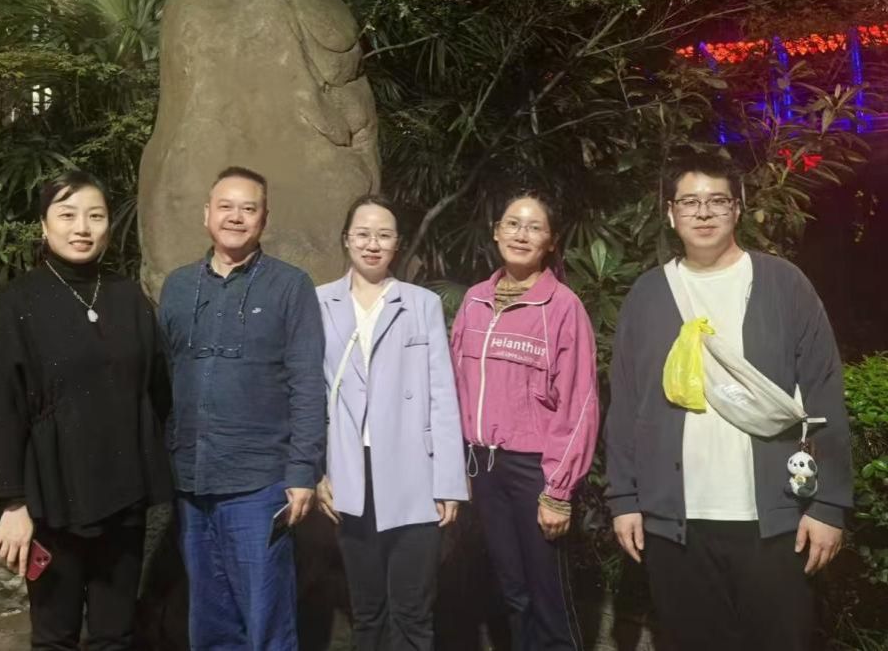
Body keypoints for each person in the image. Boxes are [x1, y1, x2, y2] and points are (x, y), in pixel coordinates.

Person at [604, 152, 853, 651]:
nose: (703, 212)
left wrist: (828, 505)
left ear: (737, 208)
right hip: (675, 521)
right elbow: (626, 403)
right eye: (689, 201)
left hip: (775, 518)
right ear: (670, 212)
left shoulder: (783, 284)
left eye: (717, 200)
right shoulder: (648, 294)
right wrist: (624, 500)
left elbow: (824, 388)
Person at [0, 171, 173, 651]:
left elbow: (157, 391)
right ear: (44, 226)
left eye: (95, 216)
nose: (82, 227)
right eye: (67, 215)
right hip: (51, 497)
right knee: (54, 636)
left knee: (115, 634)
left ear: (108, 226)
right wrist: (12, 503)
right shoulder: (17, 302)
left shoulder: (128, 297)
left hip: (123, 494)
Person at [156, 166, 325, 651]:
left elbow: (307, 383)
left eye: (248, 208)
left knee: (266, 620)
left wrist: (303, 471)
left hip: (260, 484)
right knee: (209, 620)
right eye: (225, 206)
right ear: (206, 214)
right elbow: (164, 378)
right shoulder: (178, 287)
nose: (236, 217)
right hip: (192, 482)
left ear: (263, 218)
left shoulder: (290, 286)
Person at [314, 193, 468, 651]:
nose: (372, 244)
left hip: (412, 471)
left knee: (413, 609)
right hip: (349, 471)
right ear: (346, 239)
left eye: (383, 235)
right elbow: (309, 394)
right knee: (366, 610)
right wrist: (316, 472)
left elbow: (442, 394)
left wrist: (448, 481)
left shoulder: (421, 303)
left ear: (397, 243)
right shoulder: (319, 302)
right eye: (362, 234)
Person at [450, 192, 599, 651]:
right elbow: (454, 385)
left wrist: (558, 492)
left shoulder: (562, 307)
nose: (521, 234)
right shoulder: (474, 301)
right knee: (512, 592)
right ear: (496, 232)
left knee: (547, 596)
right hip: (483, 467)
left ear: (551, 241)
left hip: (534, 470)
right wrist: (457, 464)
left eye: (534, 227)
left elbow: (578, 404)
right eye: (512, 224)